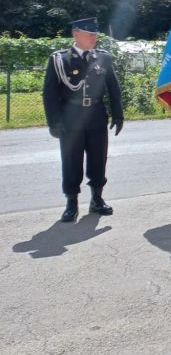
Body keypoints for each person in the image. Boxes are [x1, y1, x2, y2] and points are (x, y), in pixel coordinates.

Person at [42, 17, 124, 222]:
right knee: (71, 160)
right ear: (76, 34)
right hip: (71, 118)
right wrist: (54, 121)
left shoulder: (103, 57)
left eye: (95, 34)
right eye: (90, 34)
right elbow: (49, 94)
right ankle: (72, 202)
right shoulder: (59, 59)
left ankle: (97, 199)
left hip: (96, 116)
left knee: (98, 158)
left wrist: (118, 114)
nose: (94, 38)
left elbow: (113, 88)